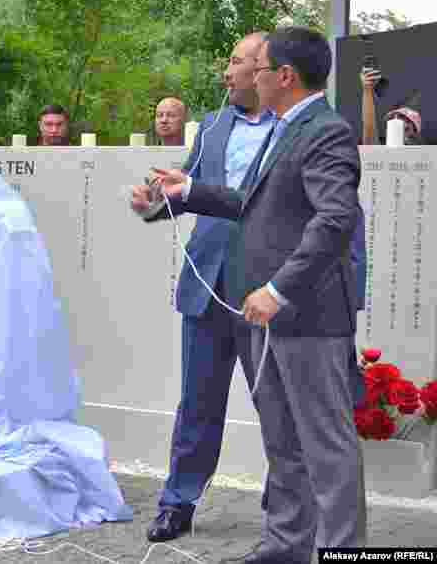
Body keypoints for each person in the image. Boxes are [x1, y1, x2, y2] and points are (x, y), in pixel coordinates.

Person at [148, 27, 365, 562]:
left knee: (326, 447)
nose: (248, 77)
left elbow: (334, 220)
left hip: (307, 316)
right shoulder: (285, 129)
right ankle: (285, 547)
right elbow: (253, 201)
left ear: (284, 77)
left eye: (260, 68)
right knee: (283, 442)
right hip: (263, 315)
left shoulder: (326, 131)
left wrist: (277, 288)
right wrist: (188, 190)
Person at [132, 32, 274, 542]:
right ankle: (178, 502)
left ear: (264, 69)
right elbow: (185, 190)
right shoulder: (212, 126)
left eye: (235, 61)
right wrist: (153, 204)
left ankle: (285, 508)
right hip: (205, 283)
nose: (226, 72)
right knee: (197, 403)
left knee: (276, 405)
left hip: (265, 290)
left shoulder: (293, 129)